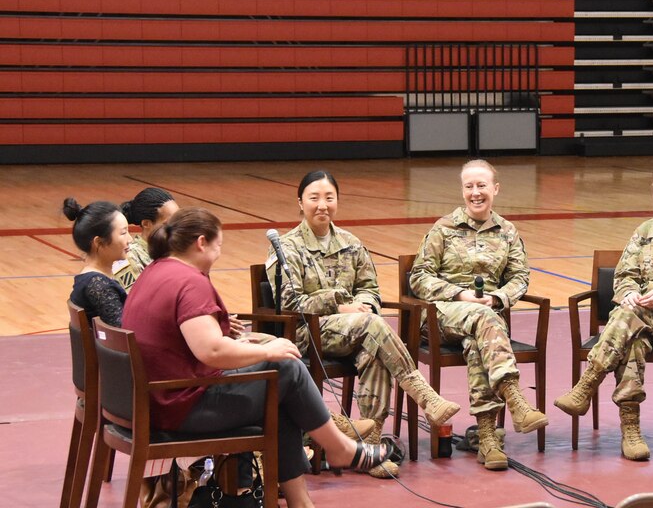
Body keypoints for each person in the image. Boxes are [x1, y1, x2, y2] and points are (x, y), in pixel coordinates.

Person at [122, 207, 390, 508]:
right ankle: (339, 448)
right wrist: (265, 351)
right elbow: (211, 351)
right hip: (181, 408)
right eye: (218, 246)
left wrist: (249, 345)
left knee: (279, 389)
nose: (218, 254)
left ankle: (303, 501)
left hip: (155, 401)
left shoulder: (155, 271)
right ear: (201, 242)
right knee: (286, 367)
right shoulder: (189, 281)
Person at [269, 170, 458, 479]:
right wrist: (339, 304)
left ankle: (369, 447)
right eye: (314, 198)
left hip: (357, 331)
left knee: (375, 349)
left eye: (329, 198)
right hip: (309, 333)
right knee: (372, 327)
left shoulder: (351, 243)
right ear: (300, 203)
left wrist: (366, 304)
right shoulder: (288, 247)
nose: (322, 205)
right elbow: (290, 302)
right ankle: (424, 395)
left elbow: (370, 289)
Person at [554, 167, 653, 460]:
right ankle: (631, 428)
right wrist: (628, 294)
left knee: (629, 318)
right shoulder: (644, 232)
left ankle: (587, 384)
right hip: (639, 319)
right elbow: (624, 274)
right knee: (634, 339)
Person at [409, 159, 548, 471]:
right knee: (483, 319)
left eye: (481, 185)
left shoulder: (508, 232)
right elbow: (418, 278)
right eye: (469, 186)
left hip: (484, 320)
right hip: (442, 316)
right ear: (462, 190)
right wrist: (460, 295)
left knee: (478, 341)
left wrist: (498, 297)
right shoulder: (443, 229)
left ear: (495, 189)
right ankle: (515, 399)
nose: (475, 192)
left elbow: (520, 278)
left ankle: (487, 438)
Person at [63, 198, 131, 327]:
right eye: (123, 233)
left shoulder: (94, 279)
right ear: (99, 243)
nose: (130, 239)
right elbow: (122, 333)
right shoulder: (98, 285)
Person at [115, 187, 178, 291]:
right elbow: (135, 300)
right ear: (146, 224)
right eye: (168, 223)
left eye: (178, 220)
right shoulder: (129, 258)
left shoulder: (176, 251)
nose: (177, 227)